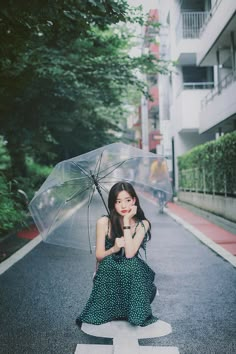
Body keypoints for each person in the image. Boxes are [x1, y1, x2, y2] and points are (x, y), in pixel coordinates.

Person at [76, 181, 158, 327]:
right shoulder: (103, 222)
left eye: (127, 200)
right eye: (118, 201)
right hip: (110, 269)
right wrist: (114, 248)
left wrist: (126, 221)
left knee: (132, 264)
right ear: (113, 204)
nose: (124, 206)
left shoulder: (143, 224)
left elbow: (130, 254)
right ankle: (111, 309)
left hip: (131, 270)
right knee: (108, 263)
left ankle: (138, 305)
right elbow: (99, 255)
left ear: (134, 200)